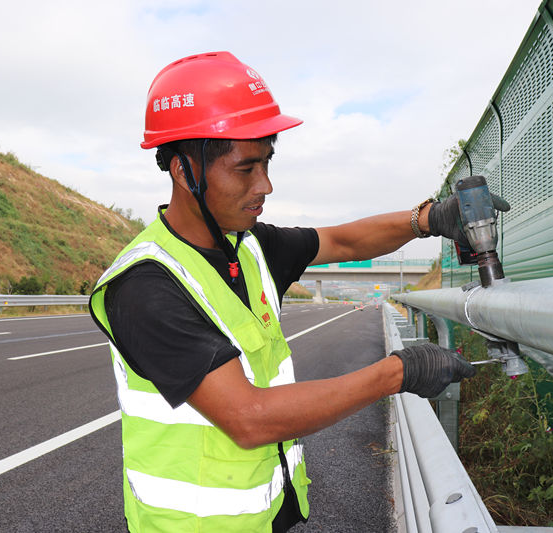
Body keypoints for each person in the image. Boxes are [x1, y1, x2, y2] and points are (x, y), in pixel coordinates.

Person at [89, 51, 505, 533]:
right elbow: (249, 418)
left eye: (267, 163)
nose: (265, 185)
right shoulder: (146, 286)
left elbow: (343, 239)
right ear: (184, 172)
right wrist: (398, 372)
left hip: (263, 514)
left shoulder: (248, 245)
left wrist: (429, 219)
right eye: (246, 169)